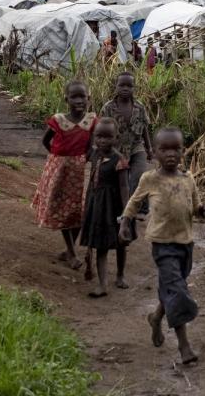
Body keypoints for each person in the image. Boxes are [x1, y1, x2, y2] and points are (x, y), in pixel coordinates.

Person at [120, 127, 205, 365]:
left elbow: (196, 207)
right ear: (155, 153)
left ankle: (156, 317)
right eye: (164, 149)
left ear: (183, 151)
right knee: (178, 292)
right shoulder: (150, 179)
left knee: (173, 288)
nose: (170, 154)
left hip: (185, 243)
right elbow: (134, 201)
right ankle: (184, 346)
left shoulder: (188, 179)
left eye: (176, 149)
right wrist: (125, 223)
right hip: (163, 245)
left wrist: (203, 211)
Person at [31, 81, 95, 269]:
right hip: (60, 170)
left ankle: (69, 250)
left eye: (82, 96)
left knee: (79, 212)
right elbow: (46, 141)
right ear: (66, 99)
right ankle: (72, 253)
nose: (79, 100)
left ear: (88, 99)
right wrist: (57, 159)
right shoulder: (58, 120)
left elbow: (90, 147)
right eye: (74, 96)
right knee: (64, 210)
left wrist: (82, 162)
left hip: (80, 173)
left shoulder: (91, 121)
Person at [80, 117, 133, 297]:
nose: (103, 140)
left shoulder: (119, 160)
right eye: (99, 136)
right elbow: (85, 146)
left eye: (108, 137)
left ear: (116, 138)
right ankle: (102, 285)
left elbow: (124, 186)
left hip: (114, 206)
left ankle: (120, 274)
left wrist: (127, 212)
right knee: (100, 244)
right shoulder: (94, 154)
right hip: (96, 204)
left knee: (120, 243)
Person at [101, 72, 154, 201]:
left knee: (139, 175)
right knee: (118, 182)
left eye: (129, 86)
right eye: (122, 85)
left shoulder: (140, 107)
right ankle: (123, 209)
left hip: (136, 146)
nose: (125, 88)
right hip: (116, 149)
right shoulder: (108, 108)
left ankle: (137, 208)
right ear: (116, 86)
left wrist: (149, 148)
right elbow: (101, 129)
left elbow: (144, 128)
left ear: (134, 88)